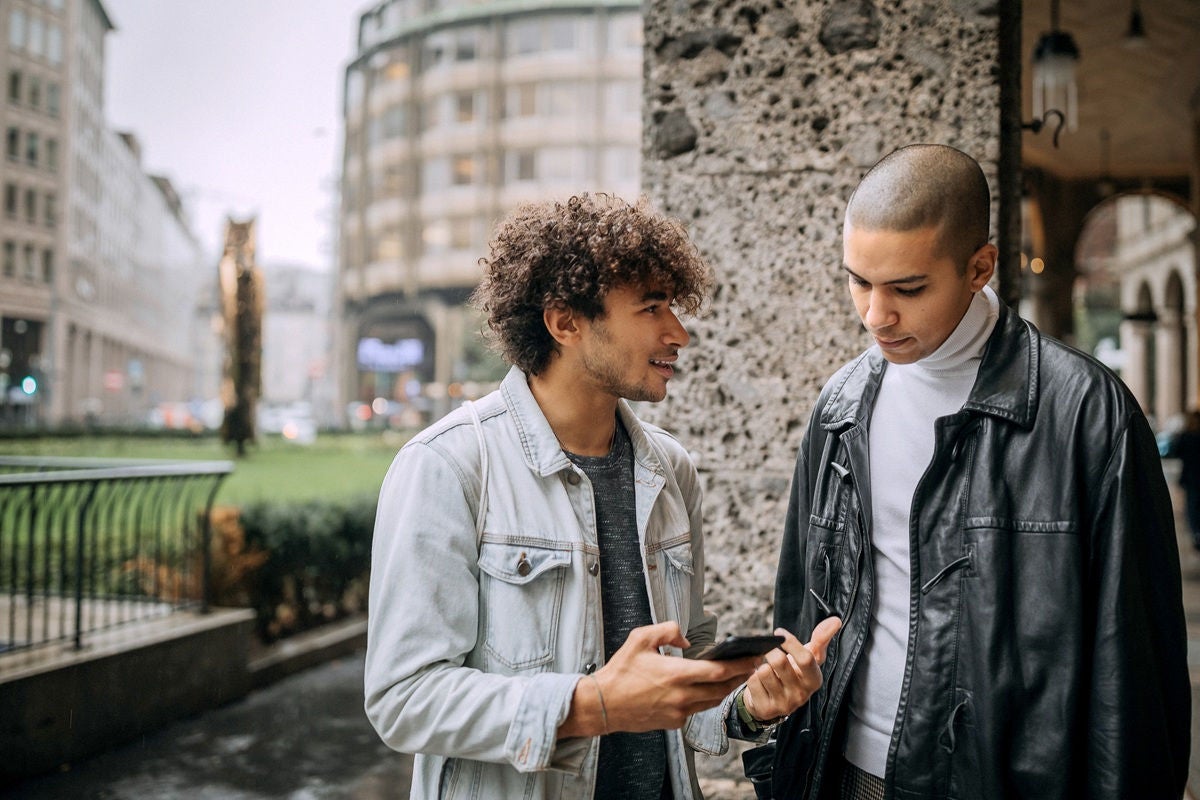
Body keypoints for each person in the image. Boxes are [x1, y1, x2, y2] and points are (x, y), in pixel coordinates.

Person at [750, 144, 1190, 799]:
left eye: (907, 288)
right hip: (845, 773)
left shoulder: (1088, 414)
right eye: (858, 281)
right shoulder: (840, 405)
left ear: (980, 267)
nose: (876, 314)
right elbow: (800, 610)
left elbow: (1135, 670)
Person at [363, 193, 835, 800]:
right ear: (565, 323)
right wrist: (592, 705)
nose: (679, 334)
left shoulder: (671, 470)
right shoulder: (448, 466)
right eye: (651, 308)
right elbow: (404, 698)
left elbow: (677, 686)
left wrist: (748, 705)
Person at [1168, 409, 1200, 550]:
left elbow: (1175, 451)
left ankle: (1196, 533)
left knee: (1192, 507)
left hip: (1191, 477)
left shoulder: (1186, 436)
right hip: (1195, 476)